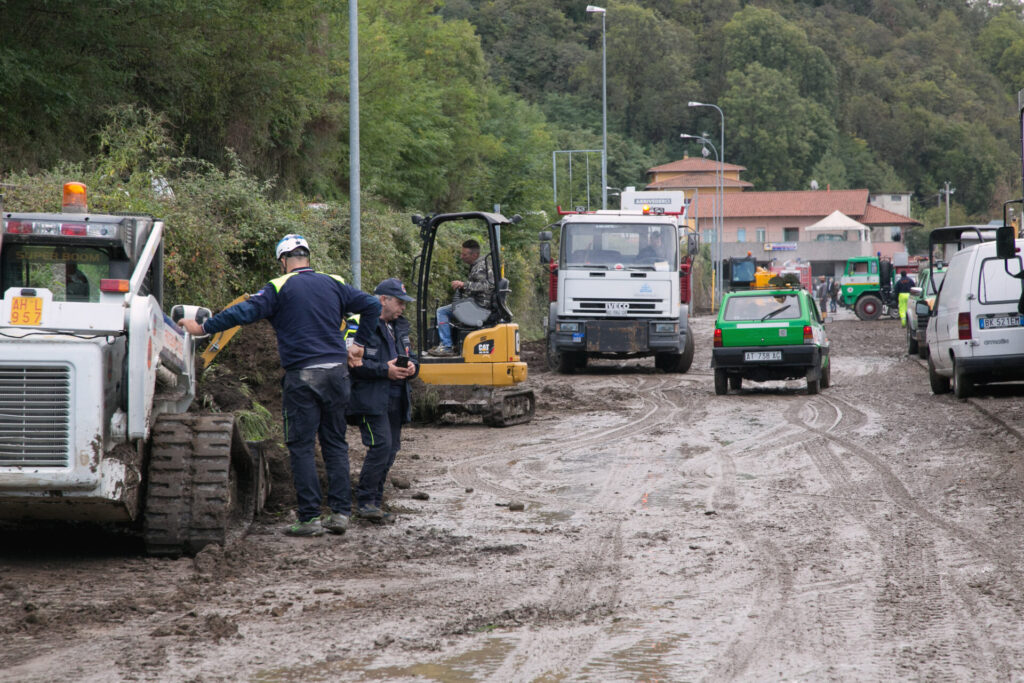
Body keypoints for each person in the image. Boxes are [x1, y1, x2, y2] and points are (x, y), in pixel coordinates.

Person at [181, 234, 381, 538]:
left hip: (303, 375)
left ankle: (309, 518)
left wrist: (204, 327)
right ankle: (340, 514)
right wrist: (359, 345)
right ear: (307, 258)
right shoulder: (334, 282)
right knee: (335, 443)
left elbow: (243, 312)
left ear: (284, 261)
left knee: (301, 446)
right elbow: (371, 306)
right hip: (337, 374)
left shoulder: (279, 286)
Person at [348, 278, 417, 522]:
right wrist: (383, 371)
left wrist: (412, 368)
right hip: (370, 398)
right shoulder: (359, 324)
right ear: (383, 300)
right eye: (399, 302)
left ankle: (376, 501)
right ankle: (365, 502)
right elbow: (352, 363)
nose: (403, 308)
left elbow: (412, 356)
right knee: (381, 446)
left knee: (391, 449)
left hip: (397, 398)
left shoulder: (399, 327)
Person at [428, 239, 494, 356]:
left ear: (474, 255)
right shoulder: (478, 265)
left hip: (480, 306)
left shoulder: (481, 267)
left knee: (442, 312)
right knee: (452, 308)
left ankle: (446, 346)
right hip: (476, 303)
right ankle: (453, 344)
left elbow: (487, 286)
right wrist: (463, 287)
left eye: (464, 254)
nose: (461, 257)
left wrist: (464, 284)